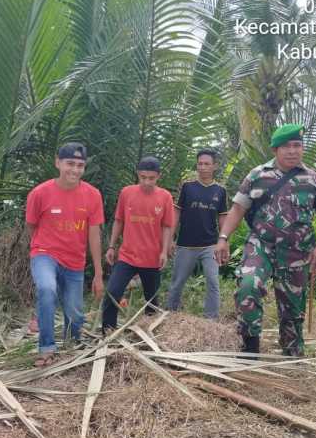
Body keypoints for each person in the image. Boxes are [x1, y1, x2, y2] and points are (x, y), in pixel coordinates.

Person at [215, 124, 316, 357]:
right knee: (248, 287)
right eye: (286, 146)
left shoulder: (315, 180)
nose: (292, 151)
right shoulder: (257, 176)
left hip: (297, 253)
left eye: (297, 145)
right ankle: (250, 350)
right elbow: (238, 208)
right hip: (260, 246)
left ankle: (291, 355)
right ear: (275, 149)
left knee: (292, 310)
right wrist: (223, 238)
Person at [26, 142, 105, 367]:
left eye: (80, 165)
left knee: (75, 316)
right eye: (70, 163)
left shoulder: (92, 195)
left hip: (75, 261)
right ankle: (46, 348)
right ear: (57, 163)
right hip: (44, 253)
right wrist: (41, 248)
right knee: (46, 288)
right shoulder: (39, 193)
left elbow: (94, 235)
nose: (75, 170)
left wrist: (98, 274)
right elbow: (32, 227)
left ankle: (71, 344)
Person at [101, 156, 175, 331]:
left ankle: (150, 334)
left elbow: (166, 227)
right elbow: (119, 220)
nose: (147, 182)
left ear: (158, 176)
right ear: (138, 175)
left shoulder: (165, 197)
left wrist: (164, 252)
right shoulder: (127, 193)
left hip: (152, 258)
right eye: (143, 177)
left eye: (151, 178)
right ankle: (107, 332)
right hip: (127, 255)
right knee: (112, 293)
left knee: (152, 301)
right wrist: (111, 246)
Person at [166, 149, 228, 318]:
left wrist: (224, 241)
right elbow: (176, 213)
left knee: (213, 281)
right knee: (177, 283)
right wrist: (170, 239)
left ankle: (211, 320)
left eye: (207, 164)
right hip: (186, 244)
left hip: (211, 245)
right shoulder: (187, 187)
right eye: (200, 163)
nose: (202, 167)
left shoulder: (220, 191)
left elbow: (223, 218)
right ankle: (170, 316)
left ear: (214, 166)